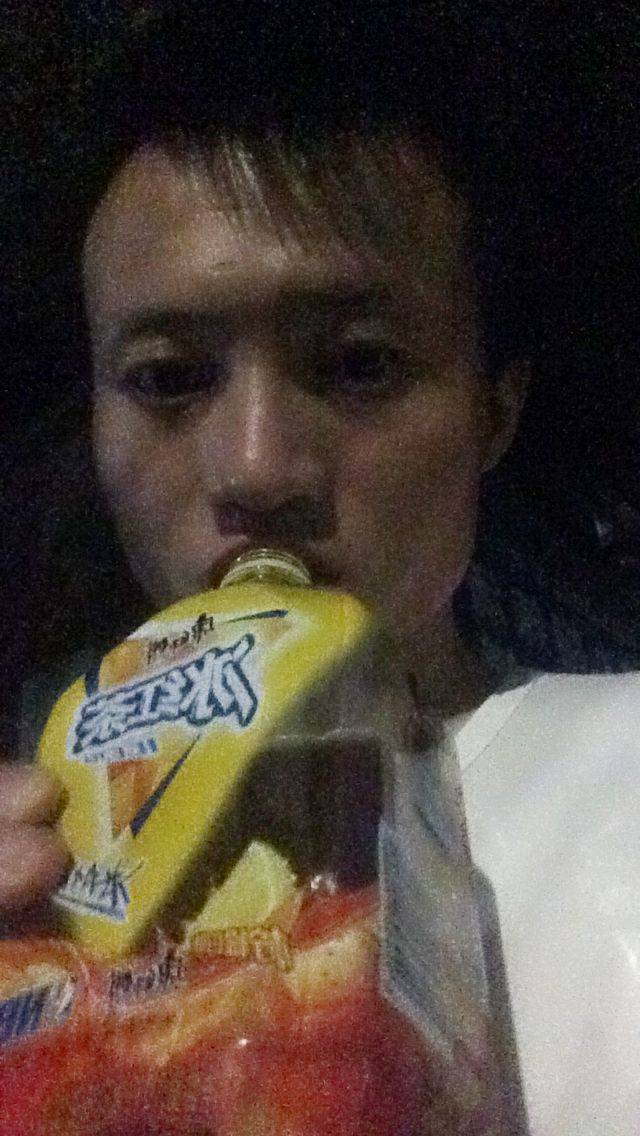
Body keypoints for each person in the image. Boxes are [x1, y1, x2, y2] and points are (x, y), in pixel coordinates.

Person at [2, 7, 639, 1133]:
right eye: (167, 377)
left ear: (492, 411)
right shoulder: (36, 862)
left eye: (358, 364)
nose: (256, 466)